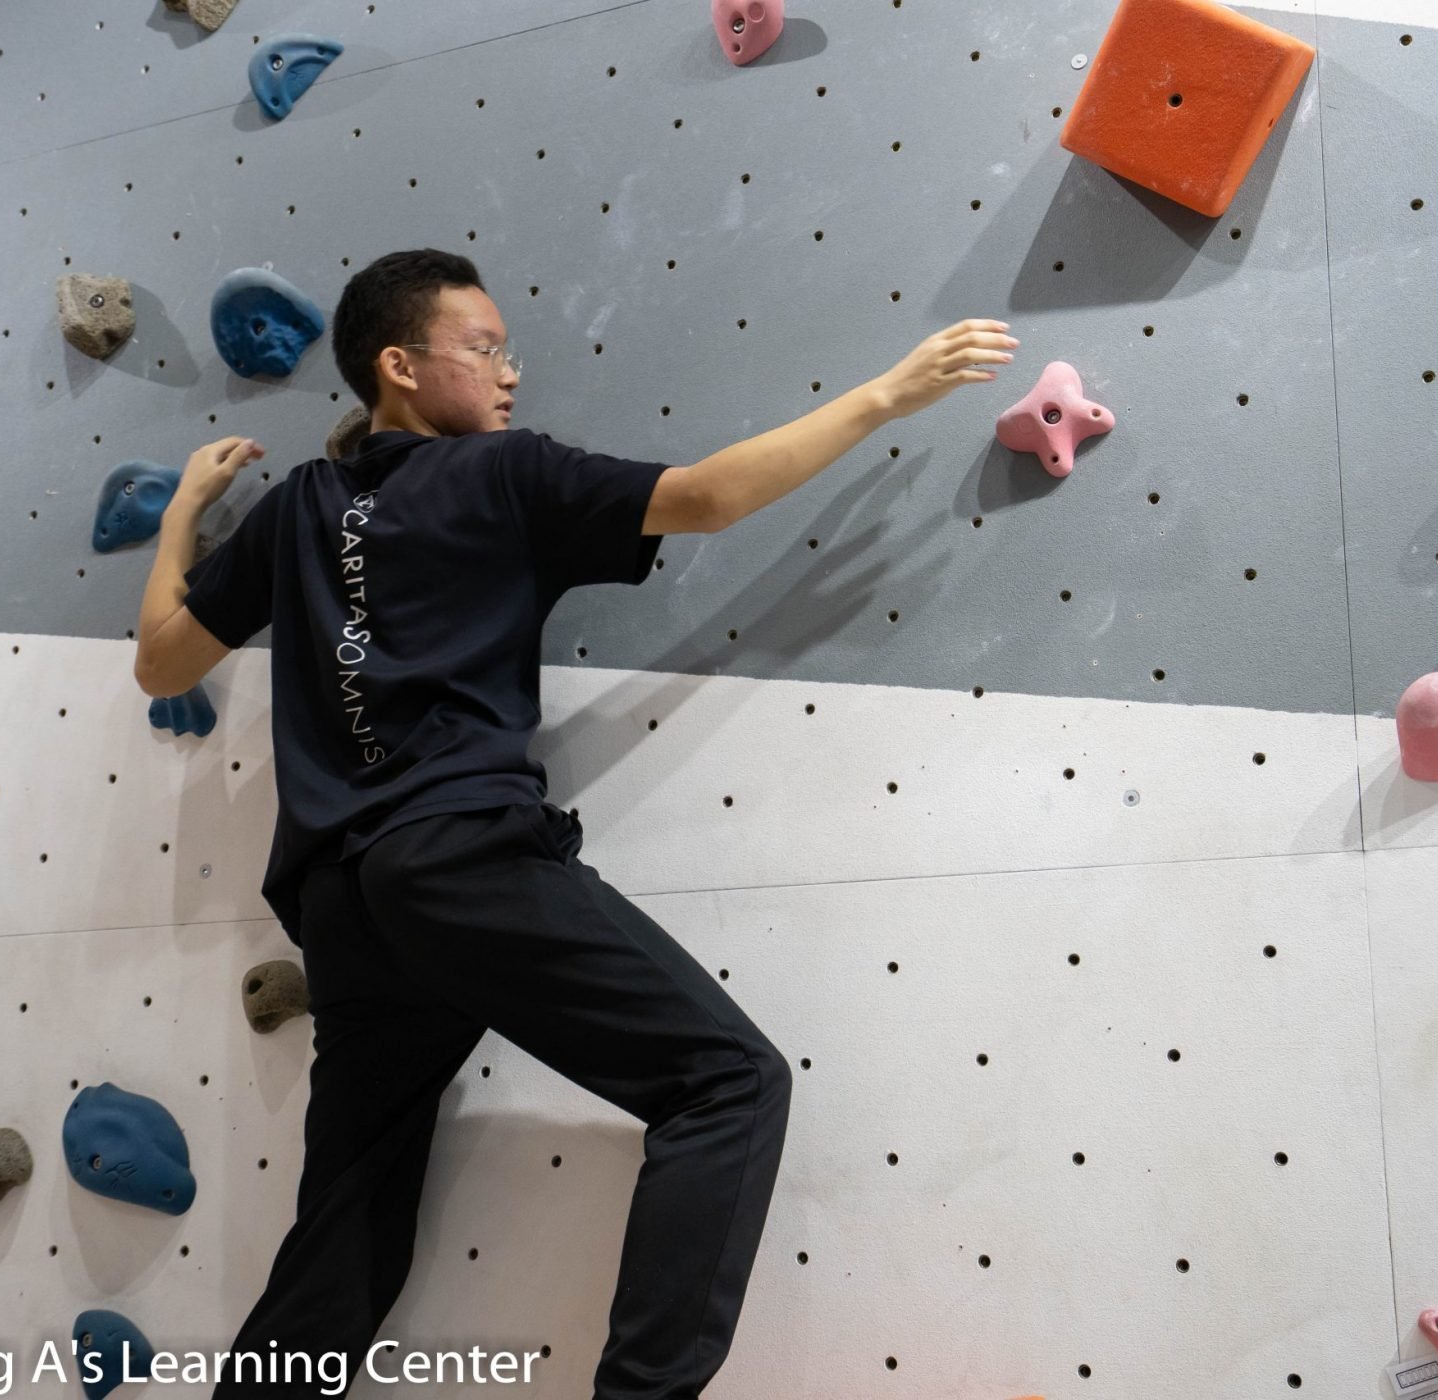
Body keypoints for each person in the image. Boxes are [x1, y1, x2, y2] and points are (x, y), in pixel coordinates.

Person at [132, 247, 1016, 1398]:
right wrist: (889, 393)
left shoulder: (300, 505)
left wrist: (184, 513)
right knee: (728, 1082)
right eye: (485, 346)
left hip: (342, 905)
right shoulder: (503, 474)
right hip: (459, 856)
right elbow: (707, 496)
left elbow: (161, 661)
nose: (511, 371)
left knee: (346, 1224)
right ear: (400, 365)